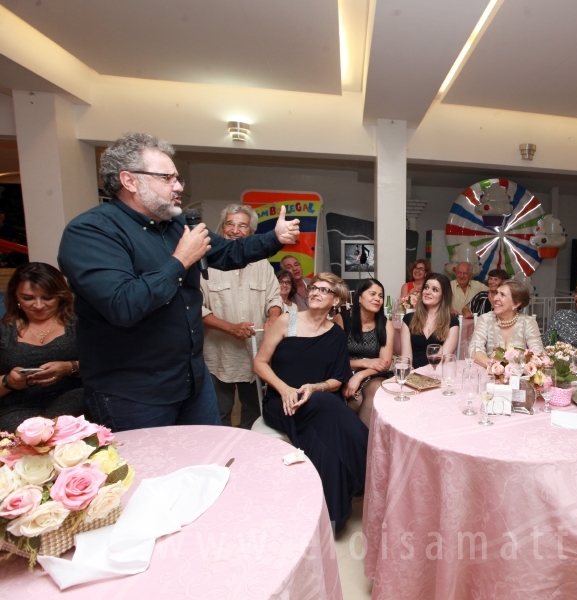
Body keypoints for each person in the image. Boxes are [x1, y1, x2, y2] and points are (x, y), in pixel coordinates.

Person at [57, 132, 299, 432]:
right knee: (149, 476)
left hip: (192, 381)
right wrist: (180, 261)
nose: (179, 186)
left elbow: (229, 253)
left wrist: (274, 238)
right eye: (167, 178)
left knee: (206, 464)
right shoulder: (91, 231)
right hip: (133, 393)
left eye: (178, 177)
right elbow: (123, 304)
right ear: (129, 180)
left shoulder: (176, 226)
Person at [253, 273, 366, 532]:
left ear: (335, 300)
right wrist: (284, 389)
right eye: (313, 288)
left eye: (324, 290)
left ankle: (332, 519)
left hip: (318, 403)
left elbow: (338, 379)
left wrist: (315, 387)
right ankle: (368, 472)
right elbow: (259, 363)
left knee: (325, 443)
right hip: (282, 402)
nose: (315, 292)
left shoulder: (336, 334)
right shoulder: (287, 321)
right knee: (327, 406)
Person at [201, 204, 283, 429]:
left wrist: (274, 316)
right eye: (230, 223)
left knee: (255, 412)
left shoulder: (262, 264)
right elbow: (196, 309)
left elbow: (274, 298)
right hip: (218, 357)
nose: (235, 230)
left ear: (251, 232)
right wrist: (230, 328)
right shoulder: (204, 262)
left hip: (255, 355)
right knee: (218, 414)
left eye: (242, 225)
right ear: (222, 227)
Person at [0, 263, 85, 432]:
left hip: (73, 402)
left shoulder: (81, 323)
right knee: (26, 433)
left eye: (47, 298)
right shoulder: (4, 331)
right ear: (16, 297)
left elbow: (108, 367)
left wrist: (70, 367)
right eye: (28, 298)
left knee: (73, 405)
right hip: (19, 408)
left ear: (60, 295)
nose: (38, 305)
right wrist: (9, 381)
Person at [343, 278, 394, 427]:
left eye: (380, 296)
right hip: (345, 373)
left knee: (376, 388)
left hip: (373, 375)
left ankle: (363, 446)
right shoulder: (343, 320)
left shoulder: (385, 324)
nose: (377, 299)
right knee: (370, 407)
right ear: (359, 297)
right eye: (372, 294)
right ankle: (366, 445)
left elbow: (384, 363)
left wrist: (360, 375)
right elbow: (333, 359)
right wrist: (363, 362)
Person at [470, 279, 543, 365]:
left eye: (502, 295)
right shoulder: (485, 319)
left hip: (519, 376)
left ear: (516, 304)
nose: (495, 298)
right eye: (497, 293)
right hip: (489, 373)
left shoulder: (528, 322)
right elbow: (474, 349)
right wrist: (493, 367)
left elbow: (538, 354)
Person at [401, 273, 460, 369]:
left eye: (435, 290)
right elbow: (405, 359)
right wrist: (408, 374)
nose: (428, 292)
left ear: (443, 296)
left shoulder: (452, 322)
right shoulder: (408, 319)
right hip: (412, 375)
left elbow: (443, 361)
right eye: (426, 287)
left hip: (437, 375)